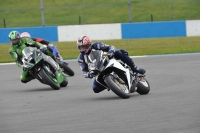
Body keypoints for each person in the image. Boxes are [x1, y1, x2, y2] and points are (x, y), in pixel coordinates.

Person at [77, 35, 146, 93]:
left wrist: (111, 51)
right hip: (97, 70)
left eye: (84, 47)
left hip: (106, 60)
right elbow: (83, 71)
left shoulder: (97, 45)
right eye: (81, 47)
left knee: (119, 52)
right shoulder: (81, 58)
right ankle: (112, 84)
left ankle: (134, 67)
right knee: (95, 88)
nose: (82, 49)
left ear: (88, 44)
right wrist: (88, 74)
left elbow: (111, 47)